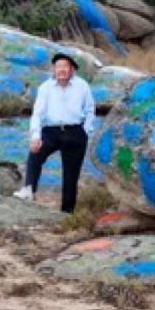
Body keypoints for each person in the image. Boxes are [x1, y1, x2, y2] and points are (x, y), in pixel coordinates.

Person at [14, 52, 96, 213]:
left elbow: (89, 110)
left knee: (71, 176)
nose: (61, 70)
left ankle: (67, 213)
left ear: (72, 69)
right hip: (51, 131)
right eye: (58, 66)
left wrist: (86, 131)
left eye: (65, 66)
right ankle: (29, 189)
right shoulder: (45, 87)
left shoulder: (82, 86)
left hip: (75, 132)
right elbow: (37, 114)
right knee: (35, 155)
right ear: (53, 69)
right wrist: (36, 136)